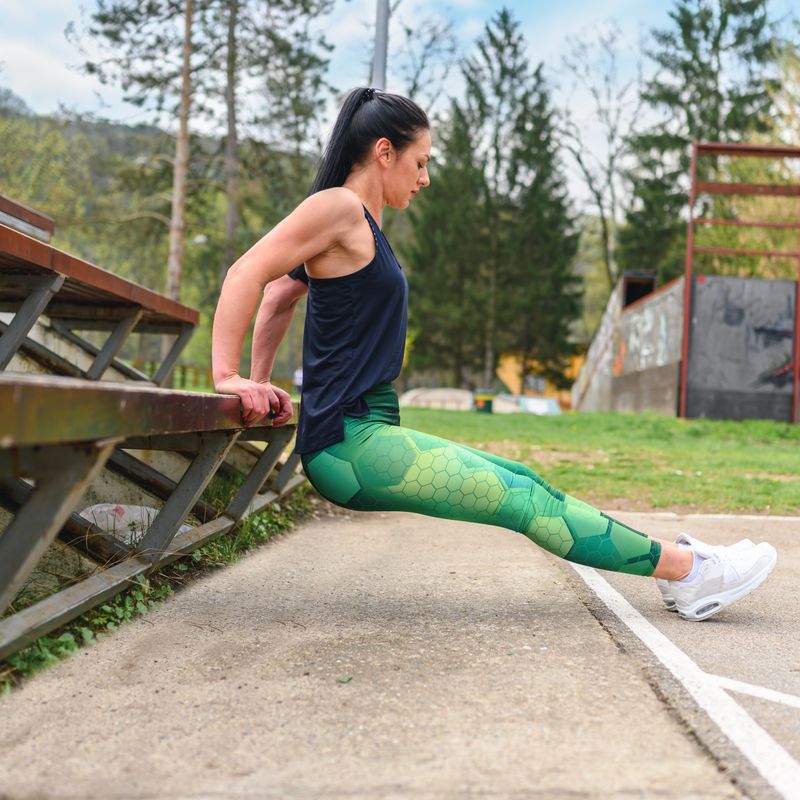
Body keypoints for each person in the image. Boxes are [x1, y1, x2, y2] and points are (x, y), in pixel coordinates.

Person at [211, 87, 777, 622]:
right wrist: (231, 376)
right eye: (421, 161)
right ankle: (689, 574)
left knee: (523, 480)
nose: (426, 177)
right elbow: (248, 273)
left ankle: (680, 571)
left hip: (365, 431)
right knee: (522, 500)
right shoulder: (338, 206)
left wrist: (267, 389)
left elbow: (283, 294)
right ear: (385, 153)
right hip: (350, 443)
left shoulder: (363, 222)